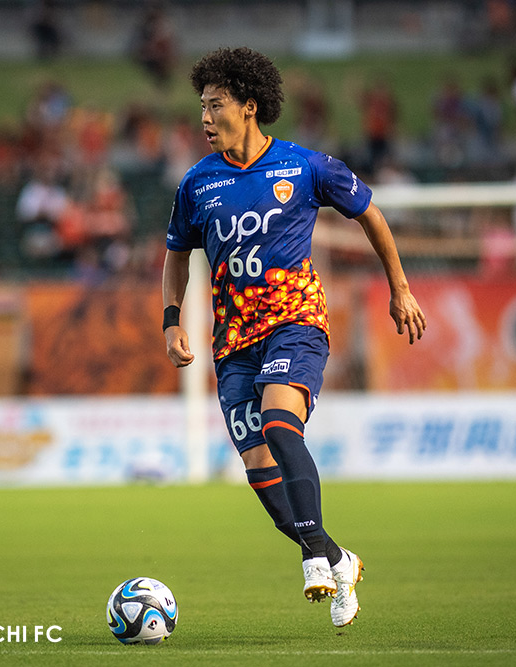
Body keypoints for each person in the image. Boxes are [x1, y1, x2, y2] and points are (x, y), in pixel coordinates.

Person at [161, 47, 426, 628]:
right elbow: (177, 254)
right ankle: (336, 557)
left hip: (294, 323)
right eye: (201, 106)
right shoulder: (197, 184)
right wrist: (172, 319)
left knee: (280, 425)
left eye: (216, 105)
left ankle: (313, 561)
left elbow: (370, 213)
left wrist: (400, 289)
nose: (205, 118)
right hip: (233, 342)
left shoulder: (305, 167)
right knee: (261, 473)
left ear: (249, 106)